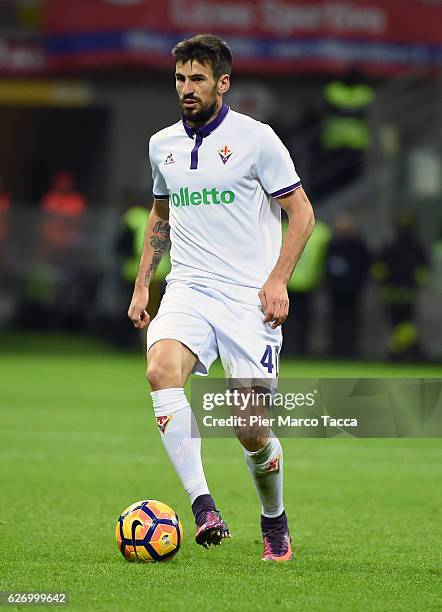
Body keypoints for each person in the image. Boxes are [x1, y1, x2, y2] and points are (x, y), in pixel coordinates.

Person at [127, 34, 315, 562]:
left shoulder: (258, 140)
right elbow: (160, 216)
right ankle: (203, 505)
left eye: (198, 79)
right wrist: (144, 282)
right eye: (181, 79)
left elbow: (302, 214)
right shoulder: (161, 143)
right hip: (187, 288)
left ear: (223, 83)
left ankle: (273, 517)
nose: (187, 89)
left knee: (250, 428)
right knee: (160, 370)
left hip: (246, 299)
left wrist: (277, 280)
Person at [325, 213, 370, 358]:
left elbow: (364, 266)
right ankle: (336, 349)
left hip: (352, 289)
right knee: (336, 320)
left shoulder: (358, 245)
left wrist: (359, 284)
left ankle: (350, 349)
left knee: (351, 319)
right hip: (337, 290)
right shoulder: (333, 244)